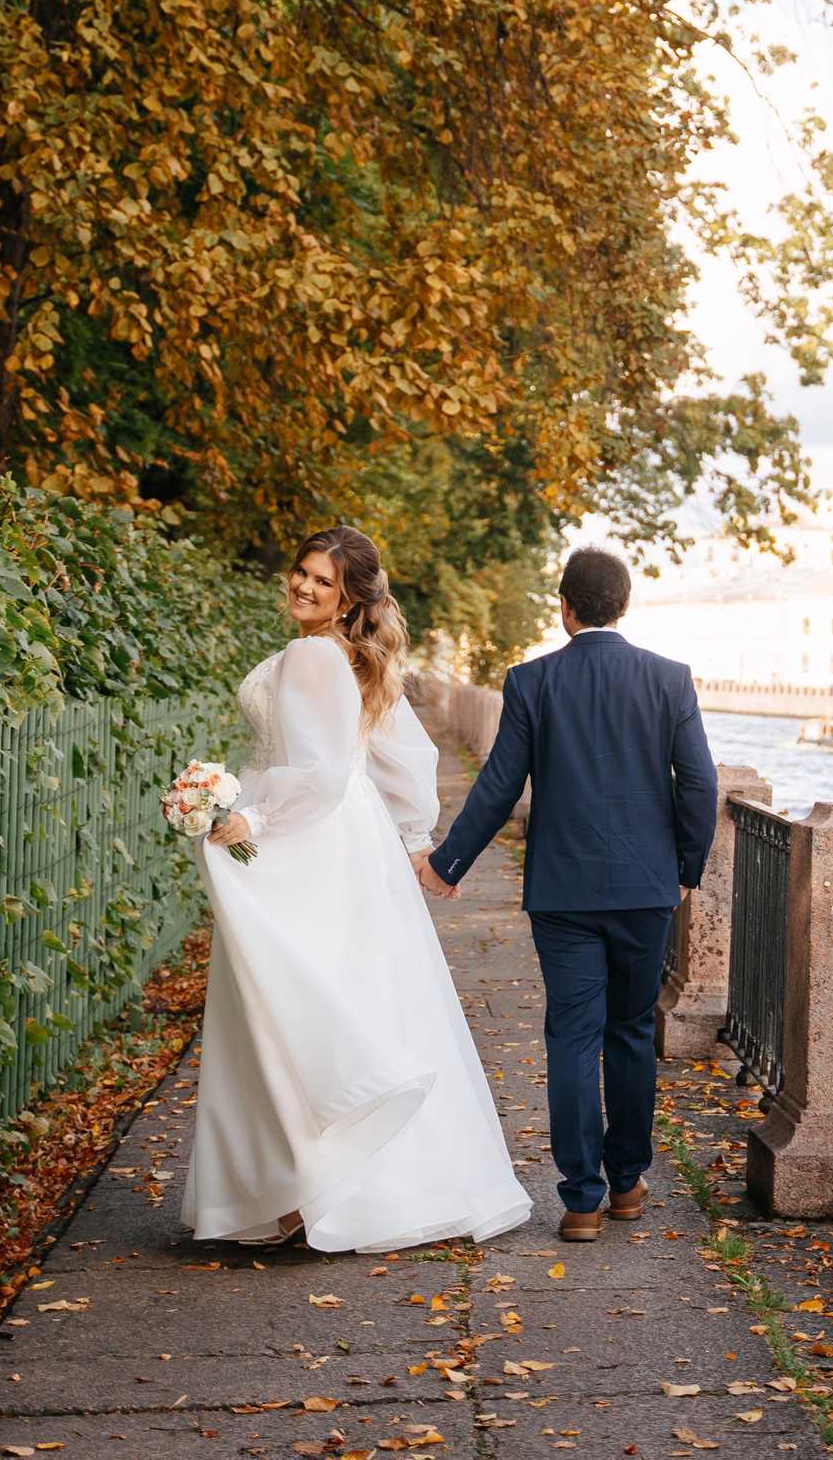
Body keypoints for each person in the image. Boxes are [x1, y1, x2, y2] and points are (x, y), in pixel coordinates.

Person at [181, 527, 530, 1251]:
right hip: (347, 839)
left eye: (322, 581)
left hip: (309, 837)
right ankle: (320, 1188)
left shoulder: (313, 654)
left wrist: (250, 812)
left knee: (285, 999)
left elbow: (319, 773)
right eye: (300, 571)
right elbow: (400, 756)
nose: (304, 587)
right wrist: (409, 838)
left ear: (348, 599)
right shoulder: (349, 657)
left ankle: (300, 1192)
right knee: (342, 992)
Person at [416, 548, 718, 1243]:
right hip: (646, 889)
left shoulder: (532, 681)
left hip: (564, 892)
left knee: (573, 1036)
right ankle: (628, 1181)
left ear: (565, 606)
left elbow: (499, 784)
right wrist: (686, 869)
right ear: (623, 604)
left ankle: (581, 1198)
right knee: (632, 1032)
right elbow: (698, 784)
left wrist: (449, 861)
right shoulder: (669, 680)